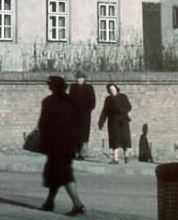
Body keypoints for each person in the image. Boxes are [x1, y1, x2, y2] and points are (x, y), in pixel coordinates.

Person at [37, 75, 86, 215]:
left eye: (50, 85)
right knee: (55, 174)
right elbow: (80, 123)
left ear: (52, 87)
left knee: (64, 174)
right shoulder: (72, 101)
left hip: (55, 144)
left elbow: (43, 124)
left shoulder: (48, 102)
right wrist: (79, 143)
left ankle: (78, 204)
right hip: (69, 144)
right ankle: (49, 202)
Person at [97, 82, 132, 163]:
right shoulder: (108, 99)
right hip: (113, 122)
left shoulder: (123, 96)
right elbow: (105, 111)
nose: (112, 91)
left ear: (116, 88)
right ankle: (115, 159)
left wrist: (122, 110)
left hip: (123, 121)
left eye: (113, 89)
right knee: (114, 140)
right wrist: (101, 122)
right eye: (110, 90)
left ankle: (126, 155)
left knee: (124, 139)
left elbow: (129, 107)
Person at [69, 71, 96, 159]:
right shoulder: (73, 87)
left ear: (84, 79)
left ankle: (82, 154)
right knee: (74, 133)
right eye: (78, 78)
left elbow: (92, 102)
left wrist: (87, 111)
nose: (79, 80)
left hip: (85, 115)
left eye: (81, 78)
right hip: (74, 115)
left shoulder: (89, 87)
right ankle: (74, 152)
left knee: (84, 134)